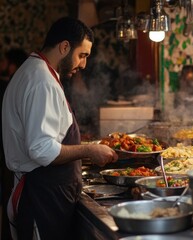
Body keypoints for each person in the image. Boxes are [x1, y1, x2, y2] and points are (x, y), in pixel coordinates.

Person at [2, 17, 118, 240]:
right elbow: (42, 149)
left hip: (47, 197)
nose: (83, 64)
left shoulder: (38, 71)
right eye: (81, 55)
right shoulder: (41, 81)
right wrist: (89, 150)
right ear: (64, 47)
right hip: (40, 198)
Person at [0, 48, 28, 240]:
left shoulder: (12, 84)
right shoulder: (13, 85)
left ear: (12, 64)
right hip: (7, 155)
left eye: (4, 60)